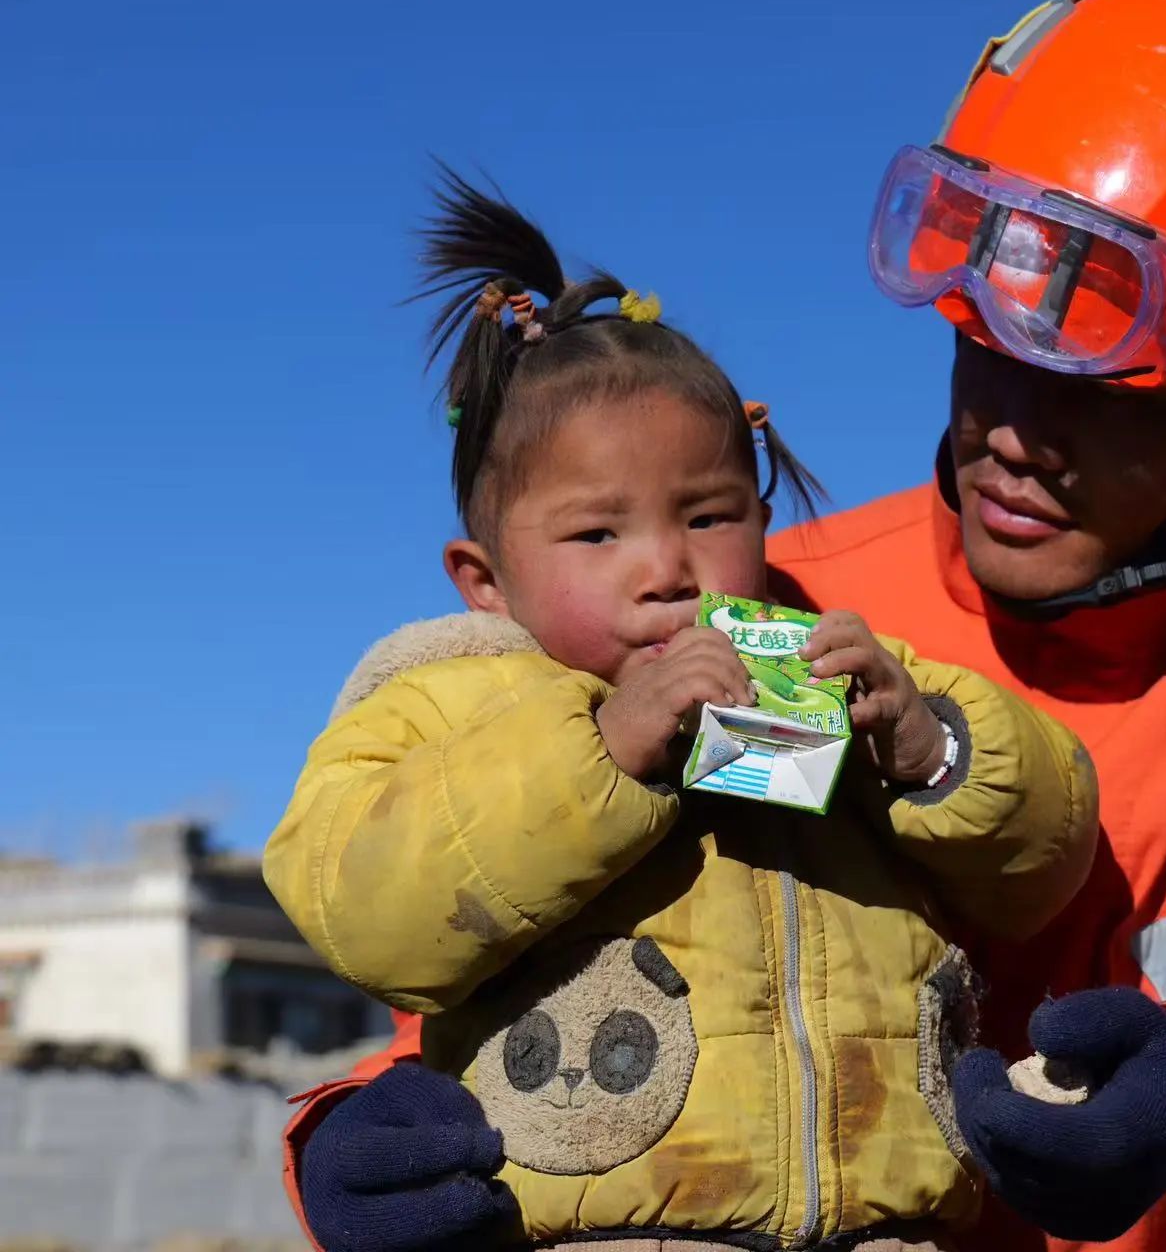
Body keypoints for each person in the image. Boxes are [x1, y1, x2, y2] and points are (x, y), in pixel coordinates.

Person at [278, 0, 1166, 1250]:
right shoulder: (761, 604)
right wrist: (358, 1135)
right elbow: (512, 934)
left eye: (1110, 396)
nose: (1016, 435)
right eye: (990, 350)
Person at [263, 171, 1100, 1251]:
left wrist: (929, 746)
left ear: (761, 515)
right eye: (597, 534)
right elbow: (362, 911)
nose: (667, 568)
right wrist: (603, 755)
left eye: (707, 516)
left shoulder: (838, 674)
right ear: (486, 579)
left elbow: (1046, 867)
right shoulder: (449, 700)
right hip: (607, 1228)